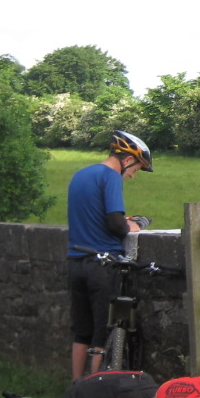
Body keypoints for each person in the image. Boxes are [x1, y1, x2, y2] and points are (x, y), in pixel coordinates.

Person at [65, 129, 152, 380]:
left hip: (76, 261)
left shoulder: (80, 174)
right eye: (136, 168)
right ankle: (95, 390)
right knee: (101, 332)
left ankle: (76, 386)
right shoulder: (111, 177)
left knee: (81, 331)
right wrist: (132, 226)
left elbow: (91, 217)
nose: (132, 175)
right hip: (102, 265)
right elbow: (115, 224)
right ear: (127, 159)